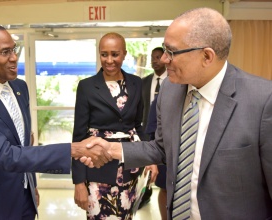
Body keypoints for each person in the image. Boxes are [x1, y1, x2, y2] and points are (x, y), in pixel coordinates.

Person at [83, 7, 272, 220]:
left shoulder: (263, 101)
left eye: (171, 52)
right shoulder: (170, 90)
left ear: (206, 56)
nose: (163, 59)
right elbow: (161, 148)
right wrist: (113, 149)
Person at [0, 22, 111, 220]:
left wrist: (30, 185)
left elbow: (24, 144)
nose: (14, 58)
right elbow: (5, 155)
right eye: (4, 52)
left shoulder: (19, 87)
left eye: (14, 49)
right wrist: (74, 149)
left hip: (24, 197)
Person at [72, 32, 157, 219]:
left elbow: (138, 126)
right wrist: (79, 182)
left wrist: (150, 158)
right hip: (97, 169)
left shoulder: (136, 83)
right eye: (104, 54)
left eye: (115, 54)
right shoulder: (86, 86)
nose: (109, 60)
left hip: (130, 168)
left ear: (124, 54)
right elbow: (78, 137)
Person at [138, 47, 167, 211]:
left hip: (163, 132)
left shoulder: (175, 81)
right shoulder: (144, 82)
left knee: (161, 174)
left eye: (158, 57)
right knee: (145, 167)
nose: (154, 60)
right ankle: (145, 195)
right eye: (152, 57)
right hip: (145, 131)